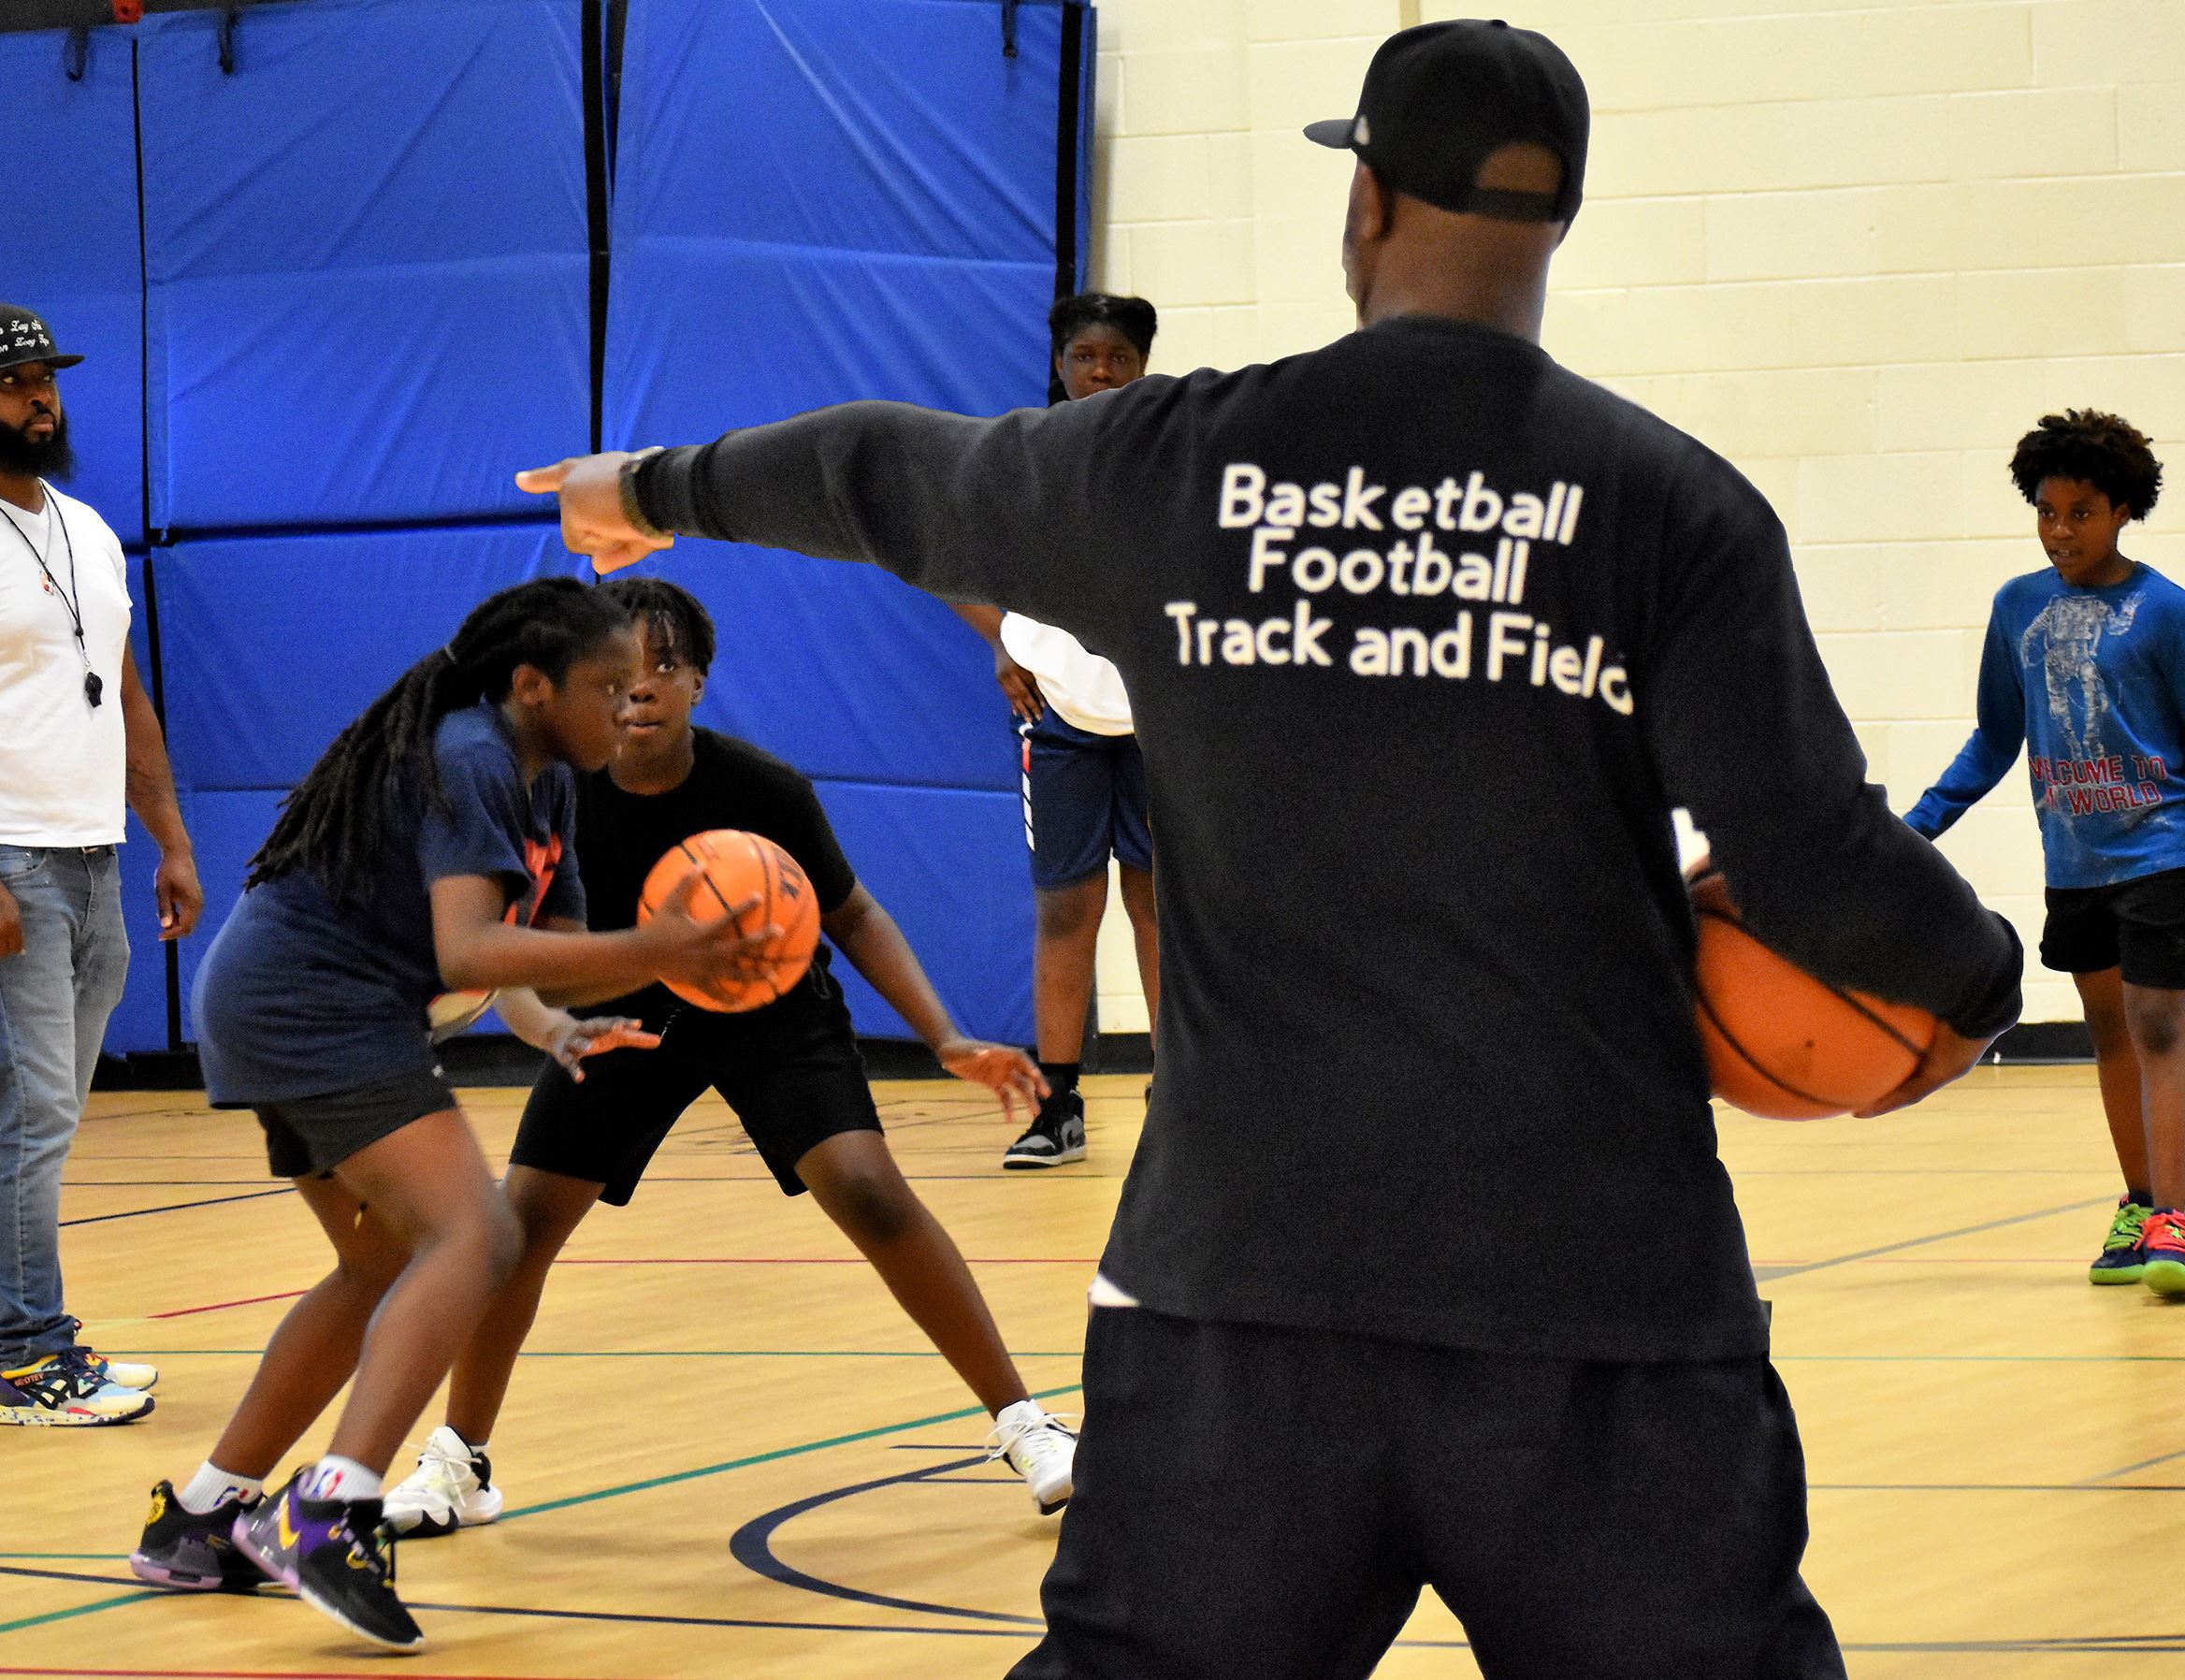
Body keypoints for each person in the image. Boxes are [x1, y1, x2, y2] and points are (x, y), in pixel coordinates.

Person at [517, 21, 2025, 1676]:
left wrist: (648, 483)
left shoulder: (1176, 465)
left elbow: (886, 469)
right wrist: (1970, 979)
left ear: (1366, 203)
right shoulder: (1671, 506)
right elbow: (1817, 861)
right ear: (1560, 222)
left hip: (1243, 1304)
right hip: (1597, 1307)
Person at [126, 577, 773, 1653]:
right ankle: (329, 1510)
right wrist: (657, 948)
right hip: (312, 1000)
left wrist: (554, 1026)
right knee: (477, 1235)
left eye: (638, 686)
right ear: (532, 685)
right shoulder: (472, 755)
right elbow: (469, 946)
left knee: (378, 1265)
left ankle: (203, 1515)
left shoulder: (550, 776)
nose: (627, 706)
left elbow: (535, 953)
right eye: (607, 685)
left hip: (288, 996)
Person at [377, 575, 1075, 1538]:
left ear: (700, 682)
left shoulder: (761, 787)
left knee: (870, 1189)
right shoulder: (555, 793)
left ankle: (1023, 1420)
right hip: (620, 1014)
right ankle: (460, 1458)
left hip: (773, 1011)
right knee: (517, 1229)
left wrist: (945, 1035)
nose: (642, 687)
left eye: (666, 664)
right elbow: (514, 939)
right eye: (622, 668)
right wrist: (546, 1022)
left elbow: (856, 912)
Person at [0, 302, 202, 1427]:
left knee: (52, 1107)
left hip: (94, 856)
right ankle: (25, 1358)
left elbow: (128, 693)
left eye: (46, 378)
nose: (39, 398)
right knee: (29, 1106)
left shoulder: (88, 529)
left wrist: (174, 838)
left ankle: (40, 1341)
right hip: (4, 858)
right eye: (12, 383)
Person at [1903, 412, 2178, 1292]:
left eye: (2082, 512)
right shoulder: (2017, 606)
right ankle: (2140, 1201)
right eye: (2048, 512)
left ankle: (2178, 1214)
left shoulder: (2165, 610)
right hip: (2076, 862)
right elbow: (1995, 738)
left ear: (2124, 509)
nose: (2062, 531)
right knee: (2112, 1036)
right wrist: (1916, 828)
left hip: (2164, 853)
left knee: (2163, 1025)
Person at [952, 293, 1162, 1168]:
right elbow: (943, 553)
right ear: (1061, 364)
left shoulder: (1167, 455)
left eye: (1117, 357)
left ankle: (1182, 1087)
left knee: (1162, 903)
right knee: (1067, 907)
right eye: (1085, 356)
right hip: (1058, 716)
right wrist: (1002, 637)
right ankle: (1060, 1103)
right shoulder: (1022, 459)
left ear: (1142, 364)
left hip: (1157, 712)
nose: (1101, 372)